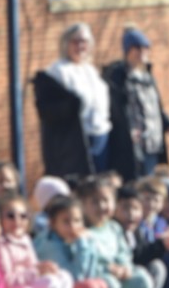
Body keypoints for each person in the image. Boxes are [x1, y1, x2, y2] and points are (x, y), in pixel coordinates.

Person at [75, 176, 154, 288]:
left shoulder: (114, 228)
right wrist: (107, 269)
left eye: (106, 201)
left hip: (116, 273)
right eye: (94, 202)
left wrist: (124, 267)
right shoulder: (82, 231)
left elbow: (123, 253)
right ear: (82, 205)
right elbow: (85, 261)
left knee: (142, 280)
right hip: (95, 278)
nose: (102, 206)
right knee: (110, 284)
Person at [105, 27, 169, 182]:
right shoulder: (118, 77)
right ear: (127, 50)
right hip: (133, 146)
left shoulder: (147, 76)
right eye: (136, 48)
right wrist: (127, 130)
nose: (142, 52)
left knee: (154, 184)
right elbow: (116, 109)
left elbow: (156, 108)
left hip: (154, 143)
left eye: (145, 48)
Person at [34, 22, 111, 179]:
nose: (81, 46)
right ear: (65, 43)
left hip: (101, 137)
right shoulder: (58, 71)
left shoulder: (90, 70)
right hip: (77, 141)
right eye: (76, 41)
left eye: (85, 42)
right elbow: (50, 109)